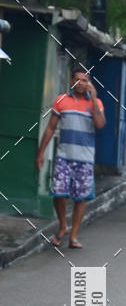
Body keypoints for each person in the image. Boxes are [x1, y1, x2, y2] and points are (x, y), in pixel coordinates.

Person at [36, 67, 106, 249]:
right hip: (64, 157)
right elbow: (50, 128)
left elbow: (100, 124)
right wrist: (41, 152)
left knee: (81, 198)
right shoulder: (61, 100)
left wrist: (94, 98)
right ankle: (62, 226)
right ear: (71, 81)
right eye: (77, 79)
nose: (81, 83)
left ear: (89, 83)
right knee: (58, 194)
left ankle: (73, 236)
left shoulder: (96, 103)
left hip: (85, 159)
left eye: (85, 80)